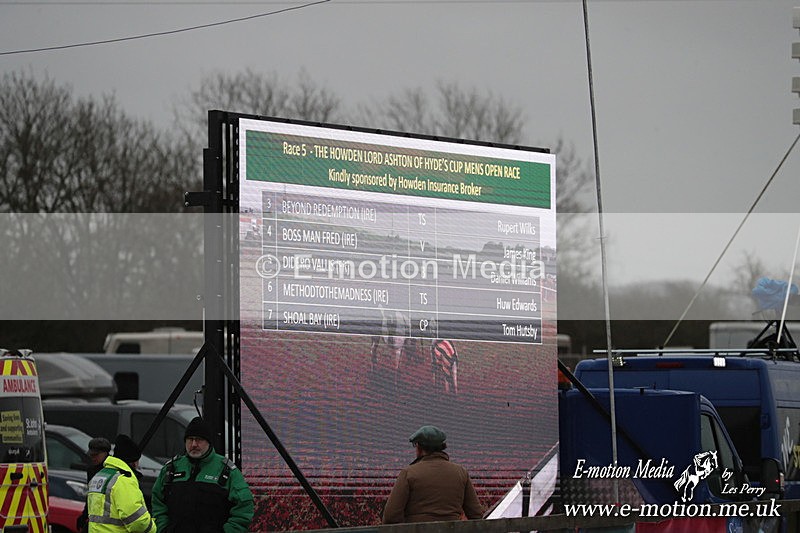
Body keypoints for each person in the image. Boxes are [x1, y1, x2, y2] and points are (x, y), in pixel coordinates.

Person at [151, 416, 254, 533]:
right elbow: (157, 502)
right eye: (190, 439)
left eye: (199, 439)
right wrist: (163, 528)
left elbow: (244, 507)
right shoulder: (171, 468)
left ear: (209, 442)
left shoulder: (227, 470)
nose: (194, 444)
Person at [383, 425, 484, 524]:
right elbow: (476, 514)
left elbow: (391, 516)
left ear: (419, 447)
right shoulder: (461, 472)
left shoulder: (408, 473)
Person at [86, 434, 155, 533]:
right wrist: (153, 528)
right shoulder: (123, 479)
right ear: (134, 462)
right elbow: (138, 523)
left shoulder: (100, 476)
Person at [77, 437, 112, 533]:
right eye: (91, 455)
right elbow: (91, 495)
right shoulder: (92, 470)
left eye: (96, 455)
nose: (93, 458)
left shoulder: (113, 469)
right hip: (95, 520)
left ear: (105, 453)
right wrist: (84, 515)